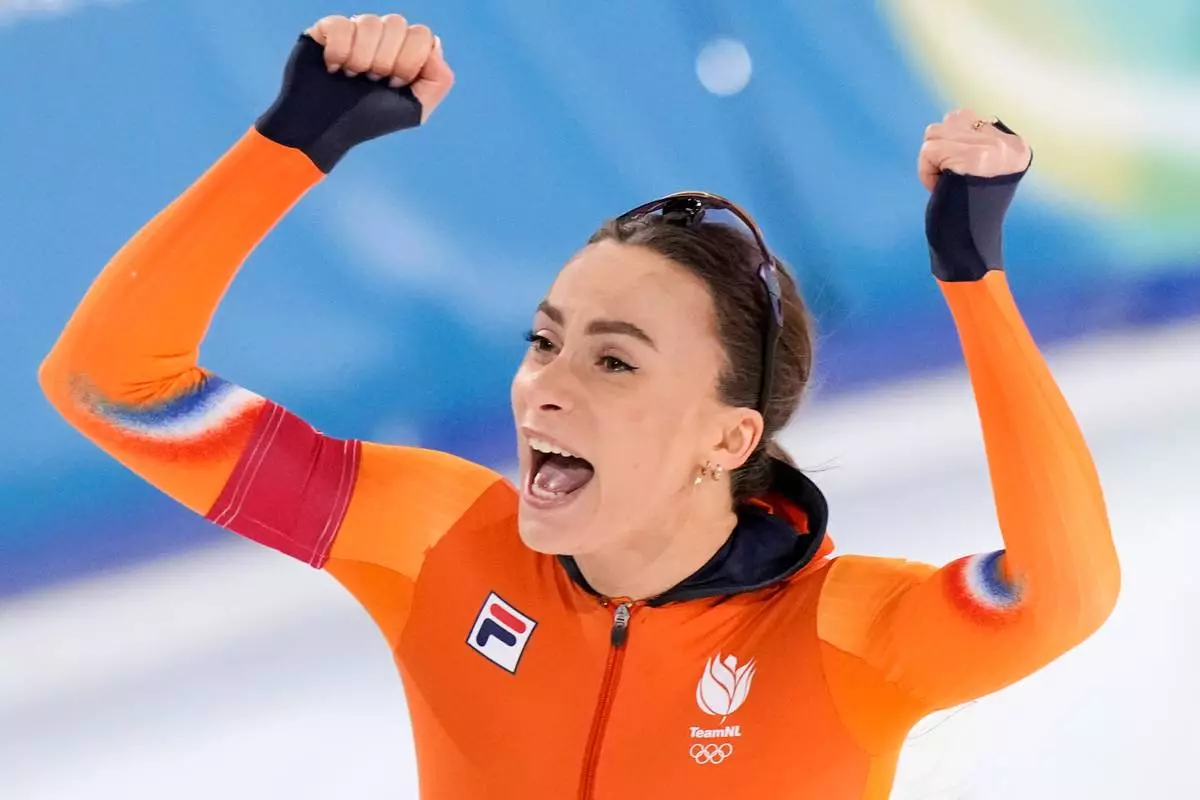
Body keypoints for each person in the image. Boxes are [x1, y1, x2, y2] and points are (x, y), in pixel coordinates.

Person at [38, 12, 1120, 800]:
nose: (546, 384)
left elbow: (1061, 593)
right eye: (544, 338)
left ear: (728, 437)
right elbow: (110, 384)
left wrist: (973, 279)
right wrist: (295, 139)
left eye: (615, 363)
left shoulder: (842, 636)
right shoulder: (436, 542)